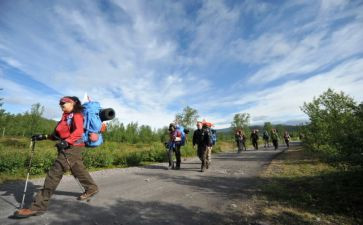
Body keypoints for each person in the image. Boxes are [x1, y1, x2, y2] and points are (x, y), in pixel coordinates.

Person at [14, 96, 99, 218]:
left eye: (64, 102)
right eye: (60, 103)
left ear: (73, 103)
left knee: (54, 174)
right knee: (77, 168)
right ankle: (91, 188)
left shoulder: (77, 115)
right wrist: (43, 136)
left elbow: (78, 131)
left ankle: (38, 207)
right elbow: (58, 135)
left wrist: (67, 141)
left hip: (72, 147)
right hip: (69, 147)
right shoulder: (65, 117)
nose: (61, 104)